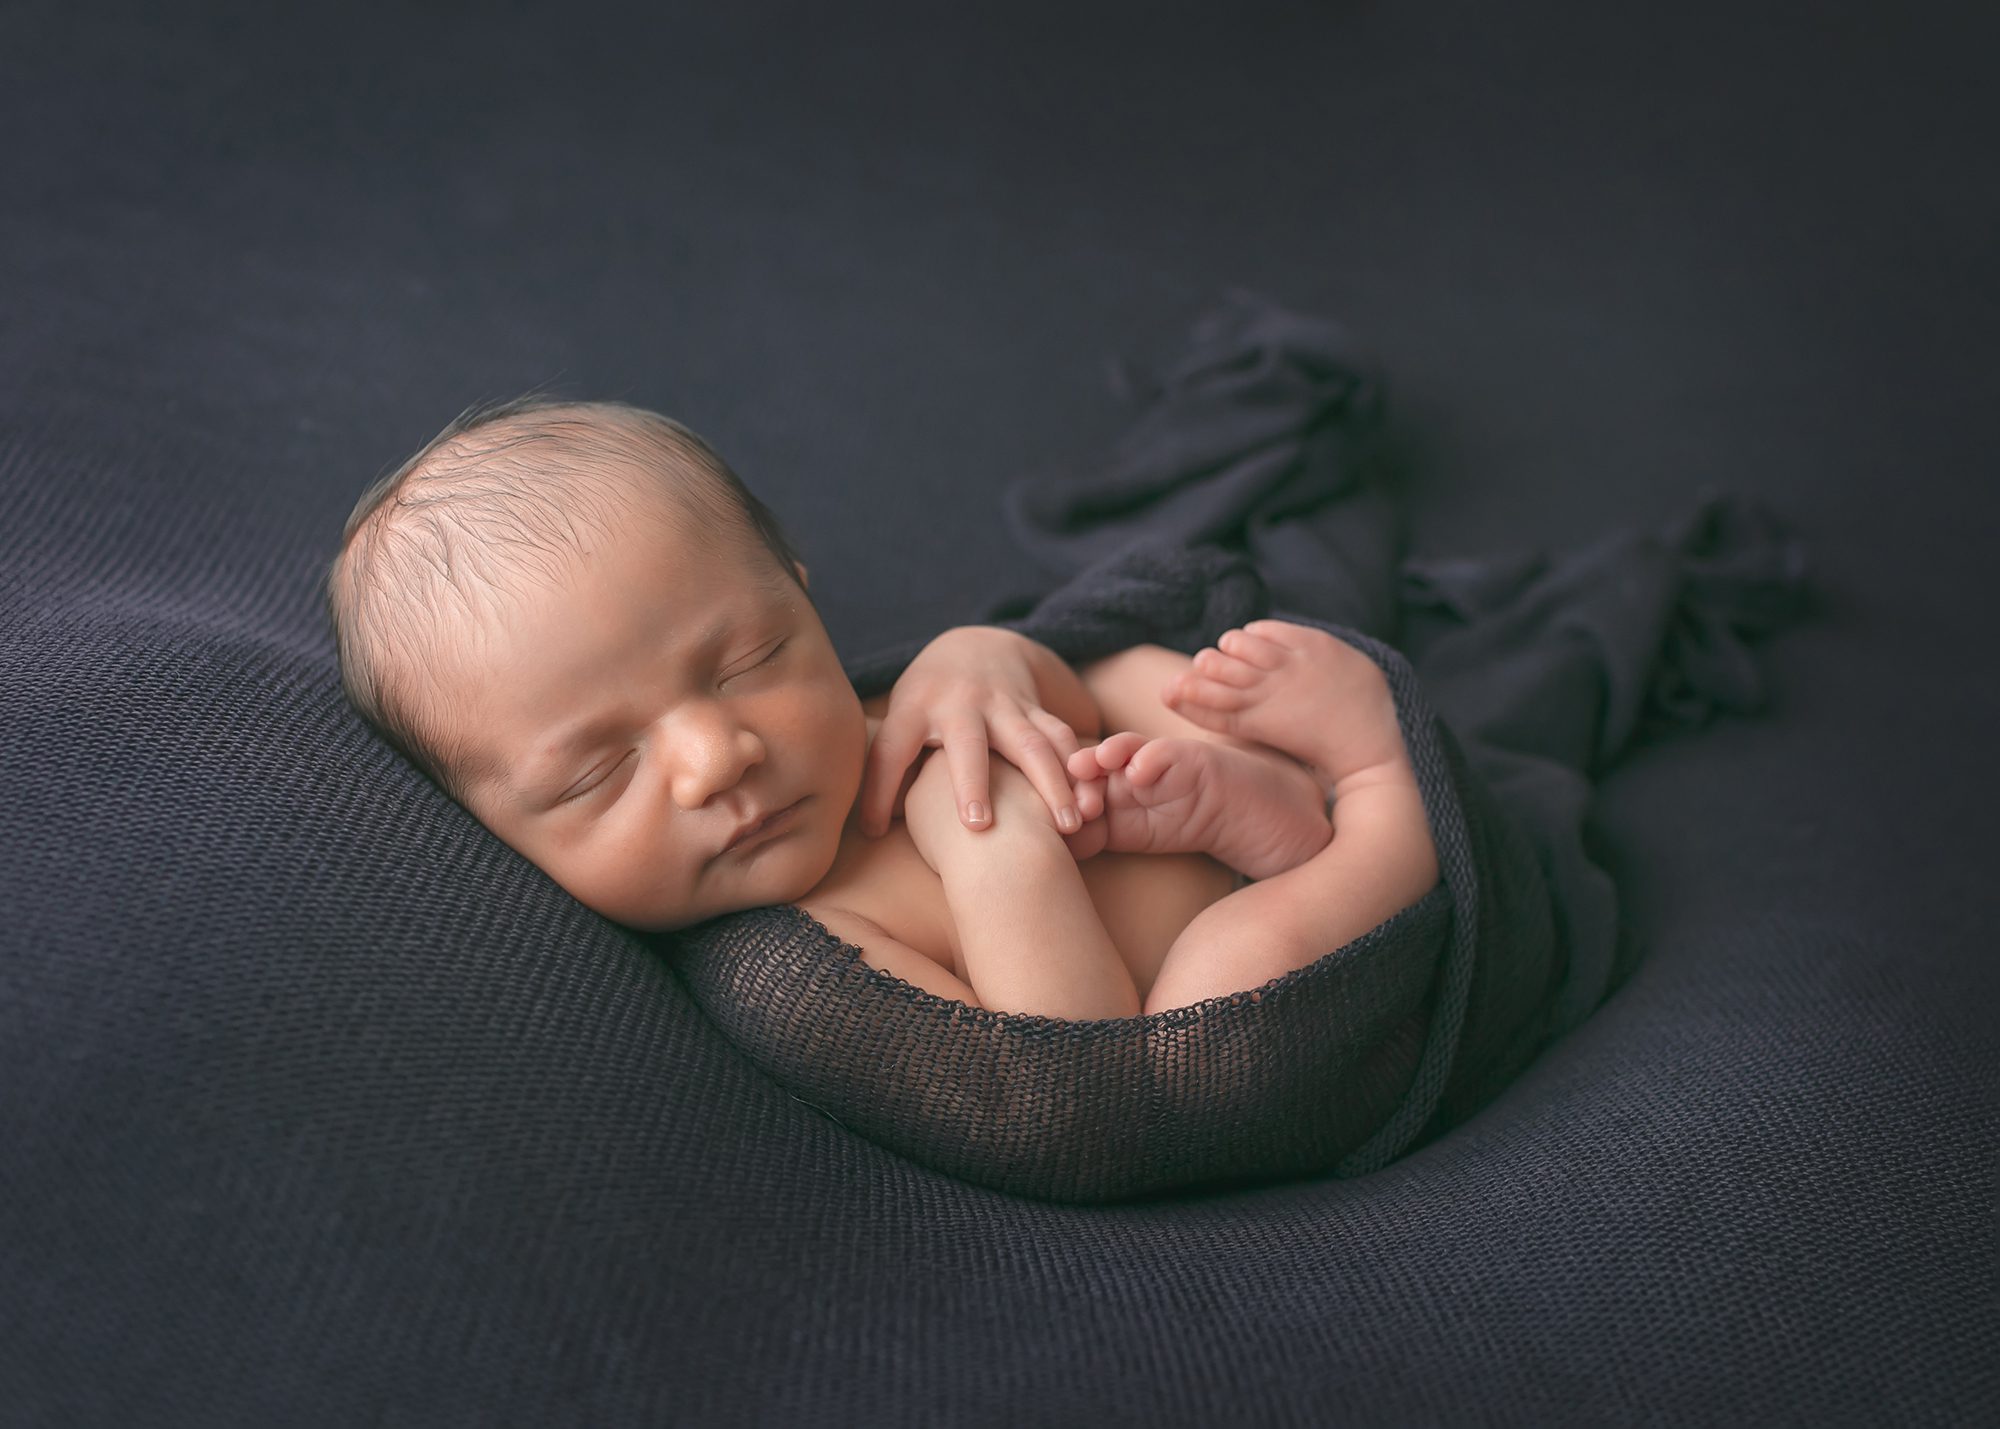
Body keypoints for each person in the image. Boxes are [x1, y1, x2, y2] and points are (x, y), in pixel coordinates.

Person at [324, 395, 1439, 1019]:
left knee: (1128, 671)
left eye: (749, 657)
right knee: (1212, 999)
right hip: (1237, 959)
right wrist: (993, 852)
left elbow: (1055, 675)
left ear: (801, 602)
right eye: (596, 772)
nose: (718, 754)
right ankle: (1384, 805)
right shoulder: (803, 967)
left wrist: (980, 660)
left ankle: (1280, 801)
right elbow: (1082, 1072)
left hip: (1184, 798)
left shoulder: (855, 724)